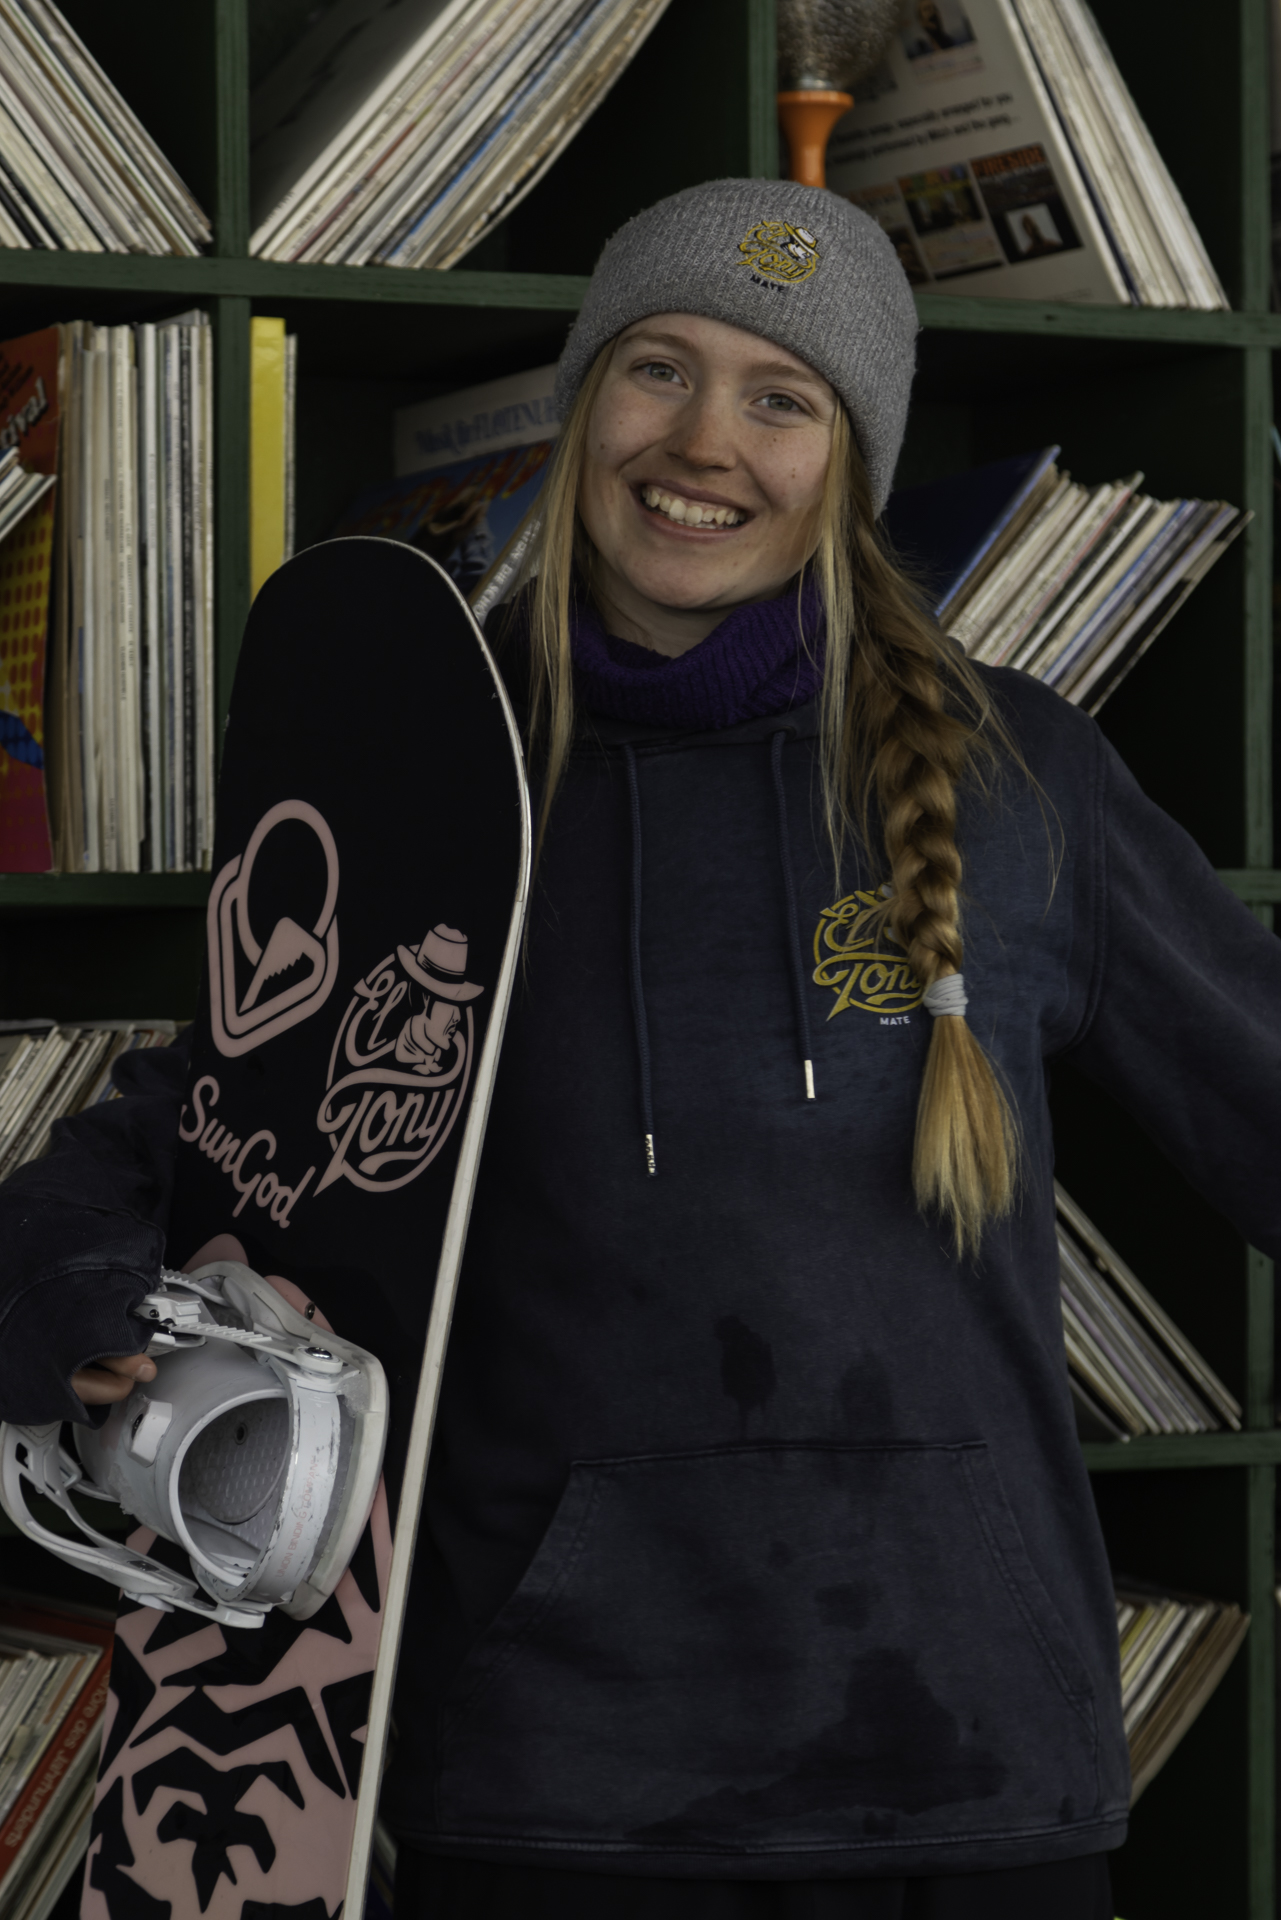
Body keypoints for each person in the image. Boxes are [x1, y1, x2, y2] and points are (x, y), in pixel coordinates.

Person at [2, 180, 1279, 1920]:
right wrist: (75, 1305)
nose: (702, 442)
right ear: (582, 398)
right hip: (553, 1780)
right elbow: (175, 1141)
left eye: (780, 397)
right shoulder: (436, 793)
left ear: (851, 459)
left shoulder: (1018, 778)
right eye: (655, 368)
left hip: (976, 1778)